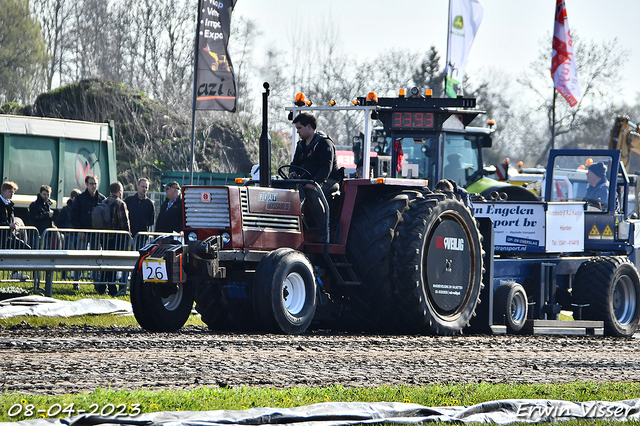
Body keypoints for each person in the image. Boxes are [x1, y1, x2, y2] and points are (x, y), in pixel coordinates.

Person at [290, 113, 342, 243]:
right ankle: (296, 229)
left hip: (329, 180)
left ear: (309, 126)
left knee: (313, 194)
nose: (298, 132)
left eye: (299, 128)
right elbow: (294, 164)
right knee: (293, 192)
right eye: (297, 129)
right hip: (307, 180)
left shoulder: (324, 143)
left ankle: (325, 232)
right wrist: (292, 172)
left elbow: (327, 167)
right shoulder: (301, 145)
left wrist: (316, 182)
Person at [98, 181, 131, 297]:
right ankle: (112, 288)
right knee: (114, 264)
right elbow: (124, 223)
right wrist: (128, 236)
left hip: (104, 238)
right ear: (120, 191)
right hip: (116, 239)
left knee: (105, 262)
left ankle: (101, 286)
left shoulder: (103, 202)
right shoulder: (120, 203)